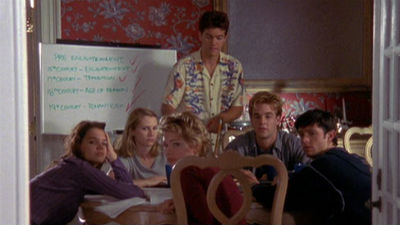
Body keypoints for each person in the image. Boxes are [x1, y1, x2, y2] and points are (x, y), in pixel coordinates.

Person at [252, 109, 372, 225]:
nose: (304, 140)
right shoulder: (353, 158)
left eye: (312, 133)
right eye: (301, 134)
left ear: (330, 135)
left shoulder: (323, 166)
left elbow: (279, 198)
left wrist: (253, 186)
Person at [30, 121, 145, 225]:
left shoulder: (77, 168)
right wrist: (113, 158)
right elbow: (133, 192)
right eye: (92, 142)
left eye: (105, 143)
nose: (100, 147)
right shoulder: (80, 170)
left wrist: (112, 155)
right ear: (79, 145)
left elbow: (128, 189)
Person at [161, 10, 244, 134]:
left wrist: (221, 119)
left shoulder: (234, 67)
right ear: (200, 35)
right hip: (190, 141)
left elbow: (238, 107)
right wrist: (184, 129)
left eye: (219, 38)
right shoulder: (183, 67)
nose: (213, 43)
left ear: (225, 38)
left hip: (220, 142)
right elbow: (167, 107)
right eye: (209, 37)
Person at [158, 112, 246, 225]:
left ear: (196, 146)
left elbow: (204, 219)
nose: (168, 151)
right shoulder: (209, 166)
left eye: (176, 144)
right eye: (166, 145)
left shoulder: (188, 171)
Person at [225, 91, 310, 182]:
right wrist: (237, 173)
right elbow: (221, 168)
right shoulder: (240, 144)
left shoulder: (292, 143)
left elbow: (311, 171)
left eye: (268, 116)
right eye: (257, 116)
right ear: (251, 119)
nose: (262, 122)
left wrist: (287, 178)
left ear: (278, 119)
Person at [115, 108, 167, 187]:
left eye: (154, 128)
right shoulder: (126, 156)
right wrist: (148, 182)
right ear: (132, 131)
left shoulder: (166, 151)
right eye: (145, 128)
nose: (151, 133)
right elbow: (111, 182)